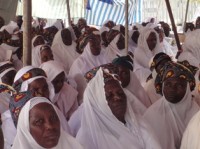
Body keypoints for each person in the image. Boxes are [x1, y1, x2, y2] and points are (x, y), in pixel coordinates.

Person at [76, 68, 161, 149]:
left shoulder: (139, 123)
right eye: (109, 96)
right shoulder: (86, 139)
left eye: (120, 93)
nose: (117, 98)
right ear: (97, 103)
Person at [143, 61, 199, 149]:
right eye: (168, 84)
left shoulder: (196, 113)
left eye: (179, 85)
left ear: (187, 89)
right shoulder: (152, 116)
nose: (172, 89)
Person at [12, 97, 83, 149]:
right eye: (39, 122)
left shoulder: (74, 146)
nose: (50, 126)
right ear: (26, 130)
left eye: (53, 118)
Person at [69, 30, 109, 104]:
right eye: (93, 45)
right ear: (87, 47)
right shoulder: (79, 63)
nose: (97, 47)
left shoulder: (104, 57)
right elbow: (79, 87)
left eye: (98, 44)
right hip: (86, 99)